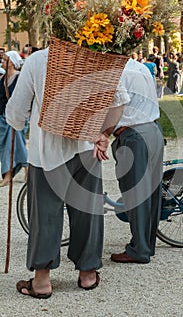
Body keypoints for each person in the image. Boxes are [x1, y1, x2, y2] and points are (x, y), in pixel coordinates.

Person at [6, 48, 124, 298]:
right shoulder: (97, 58)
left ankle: (41, 282)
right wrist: (104, 134)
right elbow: (119, 100)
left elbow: (17, 108)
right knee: (88, 212)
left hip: (46, 152)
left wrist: (15, 122)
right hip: (86, 149)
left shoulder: (38, 60)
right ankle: (88, 275)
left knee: (45, 214)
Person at [96, 58, 164, 264]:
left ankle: (139, 250)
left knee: (135, 194)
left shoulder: (114, 71)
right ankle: (147, 245)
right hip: (153, 129)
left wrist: (103, 133)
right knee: (152, 193)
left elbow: (116, 106)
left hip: (133, 136)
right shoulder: (140, 67)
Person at [0, 51, 28, 187]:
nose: (2, 62)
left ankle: (8, 175)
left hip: (17, 117)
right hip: (3, 118)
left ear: (11, 62)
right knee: (5, 146)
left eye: (5, 60)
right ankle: (26, 168)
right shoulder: (2, 78)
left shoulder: (20, 78)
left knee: (15, 145)